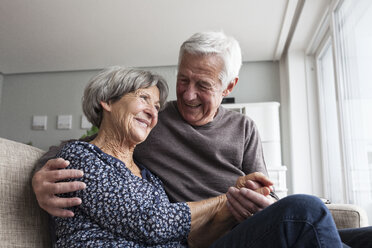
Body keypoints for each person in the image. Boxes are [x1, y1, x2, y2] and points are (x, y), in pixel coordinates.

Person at [32, 31, 369, 247]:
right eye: (183, 80)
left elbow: (267, 196)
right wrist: (40, 174)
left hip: (243, 231)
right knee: (306, 210)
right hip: (202, 241)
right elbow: (88, 148)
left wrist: (259, 202)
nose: (189, 95)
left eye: (203, 85)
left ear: (229, 87)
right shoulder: (151, 125)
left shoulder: (244, 129)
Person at [50, 66, 276, 247]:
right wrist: (224, 199)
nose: (152, 111)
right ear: (108, 101)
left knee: (297, 214)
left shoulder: (150, 179)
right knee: (302, 212)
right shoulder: (82, 157)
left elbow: (188, 241)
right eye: (144, 98)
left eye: (157, 106)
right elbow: (151, 223)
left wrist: (235, 202)